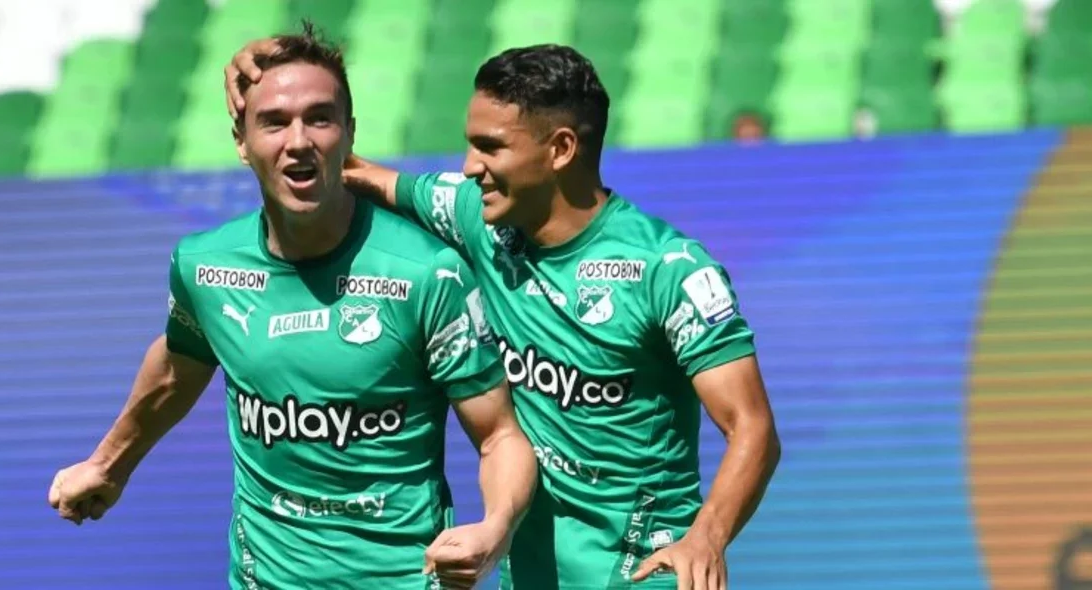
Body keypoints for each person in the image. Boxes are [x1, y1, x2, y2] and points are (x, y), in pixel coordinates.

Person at [226, 40, 781, 590]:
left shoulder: (667, 269)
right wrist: (273, 66)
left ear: (560, 149)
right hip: (529, 575)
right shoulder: (478, 218)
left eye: (491, 147)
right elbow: (339, 167)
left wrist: (707, 536)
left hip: (642, 573)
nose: (471, 168)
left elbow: (752, 427)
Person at [48, 23, 538, 590]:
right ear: (241, 141)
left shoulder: (429, 274)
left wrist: (495, 529)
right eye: (274, 122)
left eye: (320, 118)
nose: (298, 140)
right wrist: (108, 464)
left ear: (349, 133)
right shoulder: (203, 267)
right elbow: (177, 368)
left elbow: (500, 435)